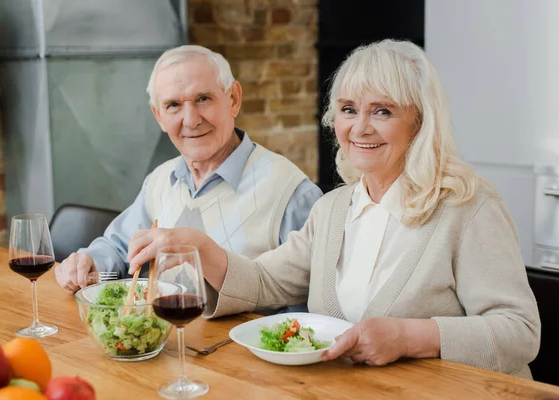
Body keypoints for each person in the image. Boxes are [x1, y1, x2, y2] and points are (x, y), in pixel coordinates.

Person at [127, 40, 541, 378]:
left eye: (382, 110)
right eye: (348, 110)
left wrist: (410, 336)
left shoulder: (468, 208)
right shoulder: (334, 209)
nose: (359, 128)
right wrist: (200, 248)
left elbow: (519, 332)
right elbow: (267, 280)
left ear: (421, 121)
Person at [54, 45, 322, 292]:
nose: (191, 120)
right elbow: (118, 247)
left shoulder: (292, 193)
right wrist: (91, 263)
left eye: (203, 99)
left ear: (233, 99)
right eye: (173, 105)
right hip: (163, 339)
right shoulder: (160, 180)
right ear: (158, 116)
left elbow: (308, 301)